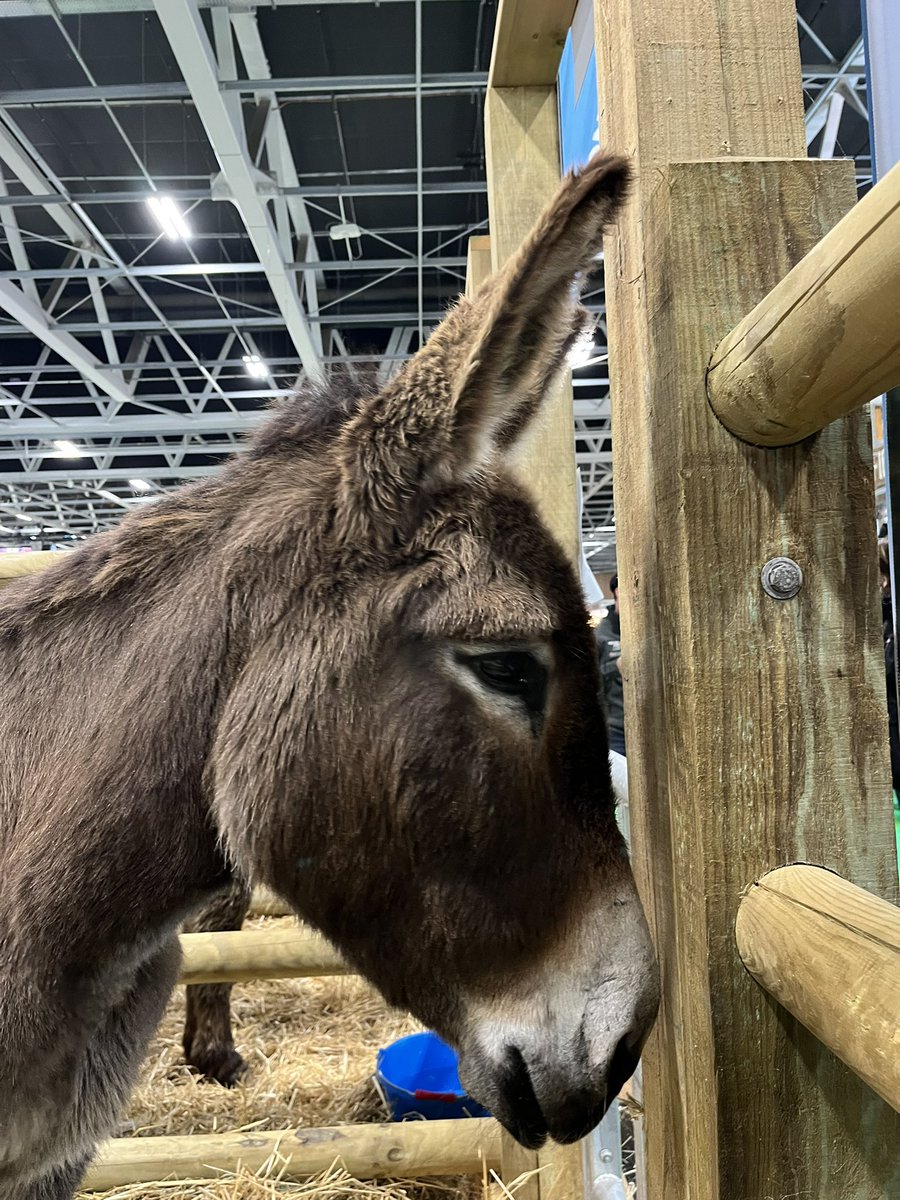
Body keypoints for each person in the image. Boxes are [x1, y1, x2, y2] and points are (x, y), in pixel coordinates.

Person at [594, 573, 626, 757]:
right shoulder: (601, 635)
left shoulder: (654, 628)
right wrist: (617, 668)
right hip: (616, 731)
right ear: (616, 593)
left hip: (654, 724)